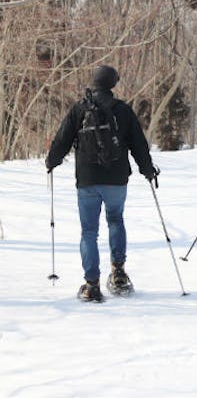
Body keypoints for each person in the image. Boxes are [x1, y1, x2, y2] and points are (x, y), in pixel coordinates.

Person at [46, 65, 157, 302]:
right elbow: (138, 144)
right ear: (112, 84)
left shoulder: (79, 108)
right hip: (116, 178)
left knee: (89, 232)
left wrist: (51, 161)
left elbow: (62, 139)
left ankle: (91, 284)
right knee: (116, 220)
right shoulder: (123, 110)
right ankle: (118, 273)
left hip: (87, 178)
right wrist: (147, 170)